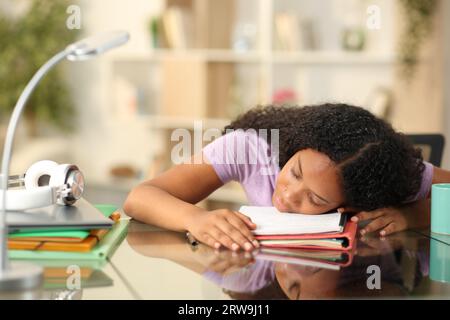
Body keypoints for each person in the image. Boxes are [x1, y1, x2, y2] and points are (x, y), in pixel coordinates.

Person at [124, 104, 449, 251]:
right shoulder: (248, 147)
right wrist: (193, 218)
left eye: (316, 199)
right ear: (295, 146)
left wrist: (411, 214)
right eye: (294, 172)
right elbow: (139, 197)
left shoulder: (379, 170)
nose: (290, 196)